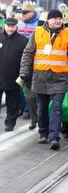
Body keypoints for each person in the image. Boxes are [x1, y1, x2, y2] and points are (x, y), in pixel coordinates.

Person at [19, 9, 68, 150]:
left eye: (60, 18)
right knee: (42, 108)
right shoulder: (38, 32)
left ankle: (54, 137)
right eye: (55, 18)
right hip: (41, 77)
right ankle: (43, 133)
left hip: (60, 77)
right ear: (48, 20)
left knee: (57, 108)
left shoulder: (66, 34)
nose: (58, 21)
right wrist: (24, 71)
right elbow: (28, 53)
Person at [0, 18, 29, 131]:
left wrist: (23, 76)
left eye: (12, 26)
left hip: (14, 77)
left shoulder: (23, 41)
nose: (10, 29)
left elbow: (26, 60)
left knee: (12, 102)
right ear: (4, 26)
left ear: (16, 27)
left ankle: (10, 123)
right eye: (8, 26)